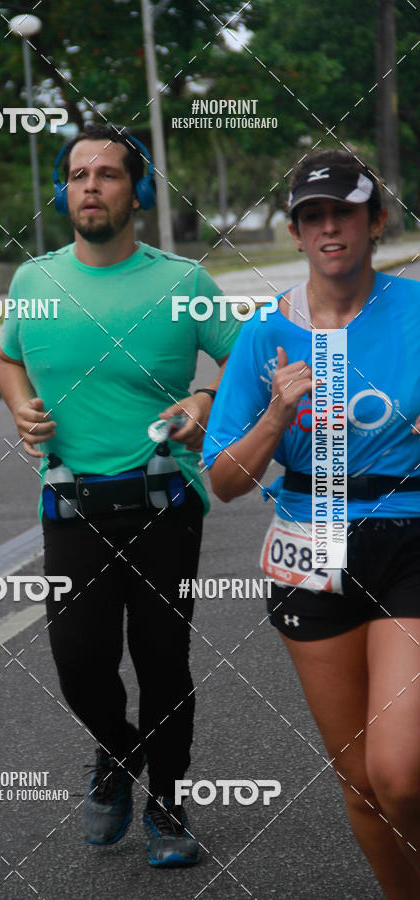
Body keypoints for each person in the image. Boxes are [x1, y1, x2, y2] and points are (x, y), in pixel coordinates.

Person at [0, 123, 240, 867]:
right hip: (71, 502)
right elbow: (9, 361)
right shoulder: (33, 281)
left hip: (164, 499)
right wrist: (18, 403)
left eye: (106, 174)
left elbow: (249, 363)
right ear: (65, 189)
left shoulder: (184, 283)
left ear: (138, 190)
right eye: (77, 174)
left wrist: (204, 399)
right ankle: (117, 752)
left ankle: (167, 805)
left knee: (161, 656)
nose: (89, 186)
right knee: (78, 659)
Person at [203, 148, 420, 898]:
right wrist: (275, 414)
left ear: (375, 222)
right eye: (312, 216)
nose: (330, 227)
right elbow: (225, 482)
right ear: (296, 233)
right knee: (362, 782)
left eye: (345, 212)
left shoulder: (416, 310)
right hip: (309, 547)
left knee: (400, 770)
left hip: (408, 534)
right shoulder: (265, 337)